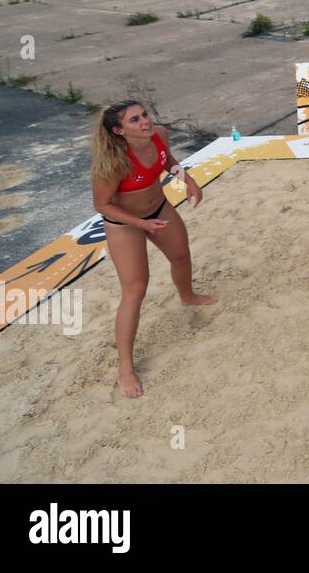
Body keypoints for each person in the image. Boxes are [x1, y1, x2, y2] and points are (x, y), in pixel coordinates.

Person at [90, 100, 216, 399]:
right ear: (119, 131)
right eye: (134, 120)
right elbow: (102, 205)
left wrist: (189, 181)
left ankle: (187, 296)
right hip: (124, 224)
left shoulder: (159, 133)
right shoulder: (113, 162)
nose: (145, 121)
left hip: (158, 208)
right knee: (135, 290)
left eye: (144, 114)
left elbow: (168, 160)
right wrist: (140, 224)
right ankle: (125, 367)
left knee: (181, 255)